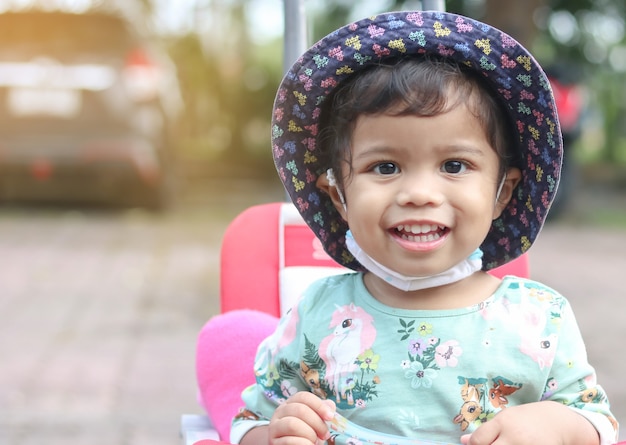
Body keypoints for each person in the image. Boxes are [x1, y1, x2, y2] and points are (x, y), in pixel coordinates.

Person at [229, 10, 618, 445]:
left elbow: (598, 422)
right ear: (339, 196)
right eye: (386, 166)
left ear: (502, 193)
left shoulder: (540, 320)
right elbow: (248, 418)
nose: (419, 193)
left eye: (454, 165)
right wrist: (274, 433)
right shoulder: (317, 314)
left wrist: (558, 426)